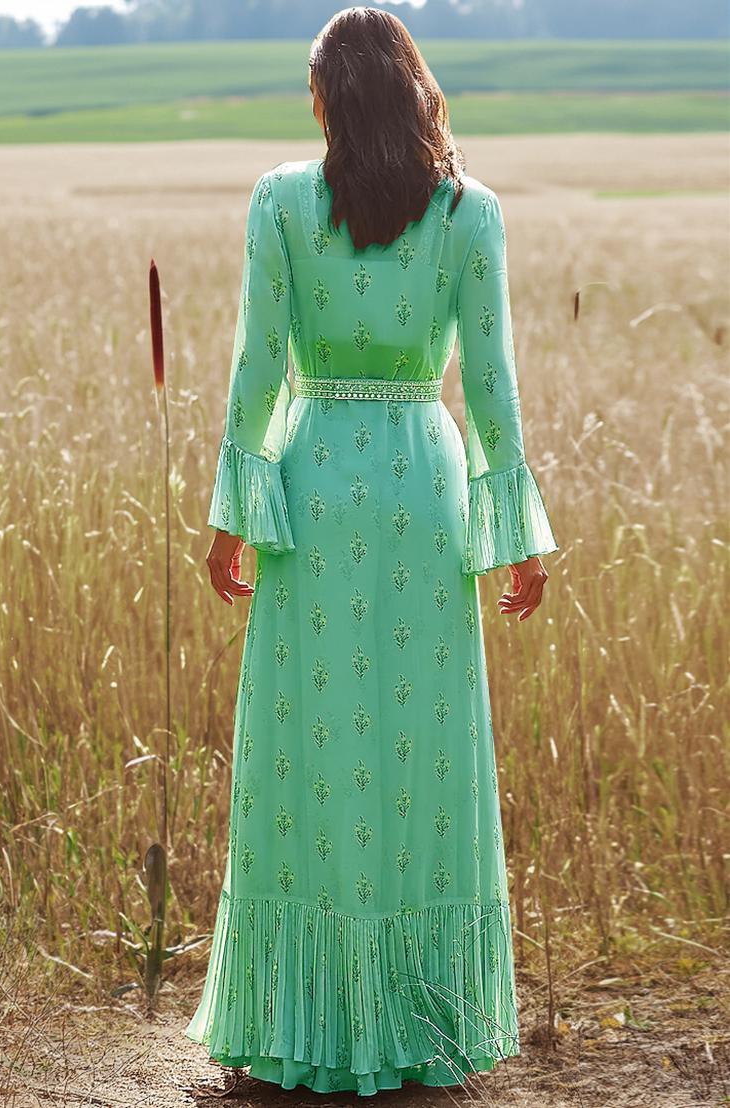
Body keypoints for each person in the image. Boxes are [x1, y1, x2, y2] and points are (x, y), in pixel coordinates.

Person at [184, 5, 558, 1097]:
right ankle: (417, 1020)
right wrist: (516, 540)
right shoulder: (470, 213)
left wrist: (227, 517)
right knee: (420, 757)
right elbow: (490, 390)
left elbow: (259, 369)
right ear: (413, 90)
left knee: (305, 755)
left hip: (309, 496)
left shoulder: (280, 202)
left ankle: (303, 1021)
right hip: (423, 493)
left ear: (327, 101)